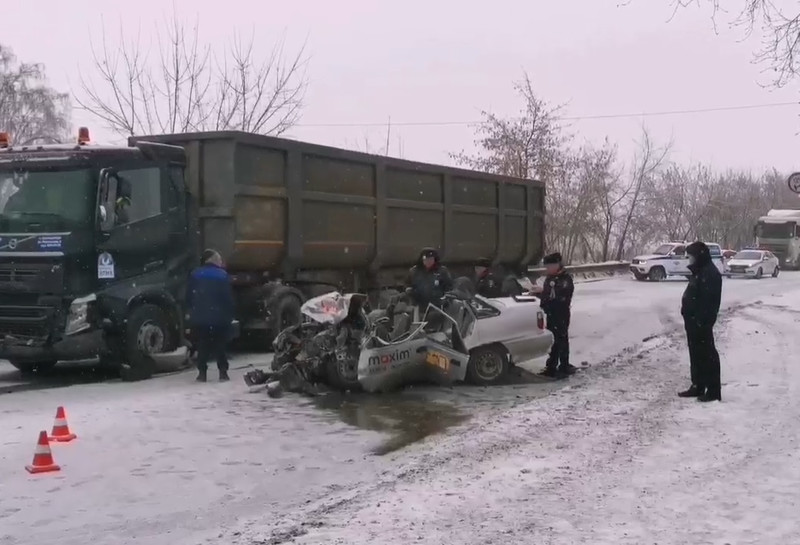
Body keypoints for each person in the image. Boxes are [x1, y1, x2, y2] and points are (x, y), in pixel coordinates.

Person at [679, 241, 723, 402]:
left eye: (690, 256)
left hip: (701, 322)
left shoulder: (710, 274)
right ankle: (698, 385)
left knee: (707, 356)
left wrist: (701, 320)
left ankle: (713, 391)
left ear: (699, 256)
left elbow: (710, 302)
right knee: (696, 354)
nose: (689, 260)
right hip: (693, 321)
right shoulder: (700, 271)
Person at [186, 249, 234, 382]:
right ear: (212, 260)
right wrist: (229, 314)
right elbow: (227, 298)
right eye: (218, 259)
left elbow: (189, 296)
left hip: (201, 318)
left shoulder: (195, 274)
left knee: (203, 345)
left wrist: (191, 311)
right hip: (219, 318)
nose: (220, 261)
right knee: (220, 346)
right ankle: (223, 373)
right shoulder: (222, 275)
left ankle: (202, 373)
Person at [534, 252, 576, 378]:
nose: (547, 269)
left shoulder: (565, 278)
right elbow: (548, 296)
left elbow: (562, 296)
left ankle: (564, 365)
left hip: (561, 313)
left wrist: (545, 293)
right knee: (552, 340)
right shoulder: (549, 278)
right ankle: (551, 366)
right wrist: (539, 294)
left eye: (549, 266)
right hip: (550, 313)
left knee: (561, 339)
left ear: (557, 265)